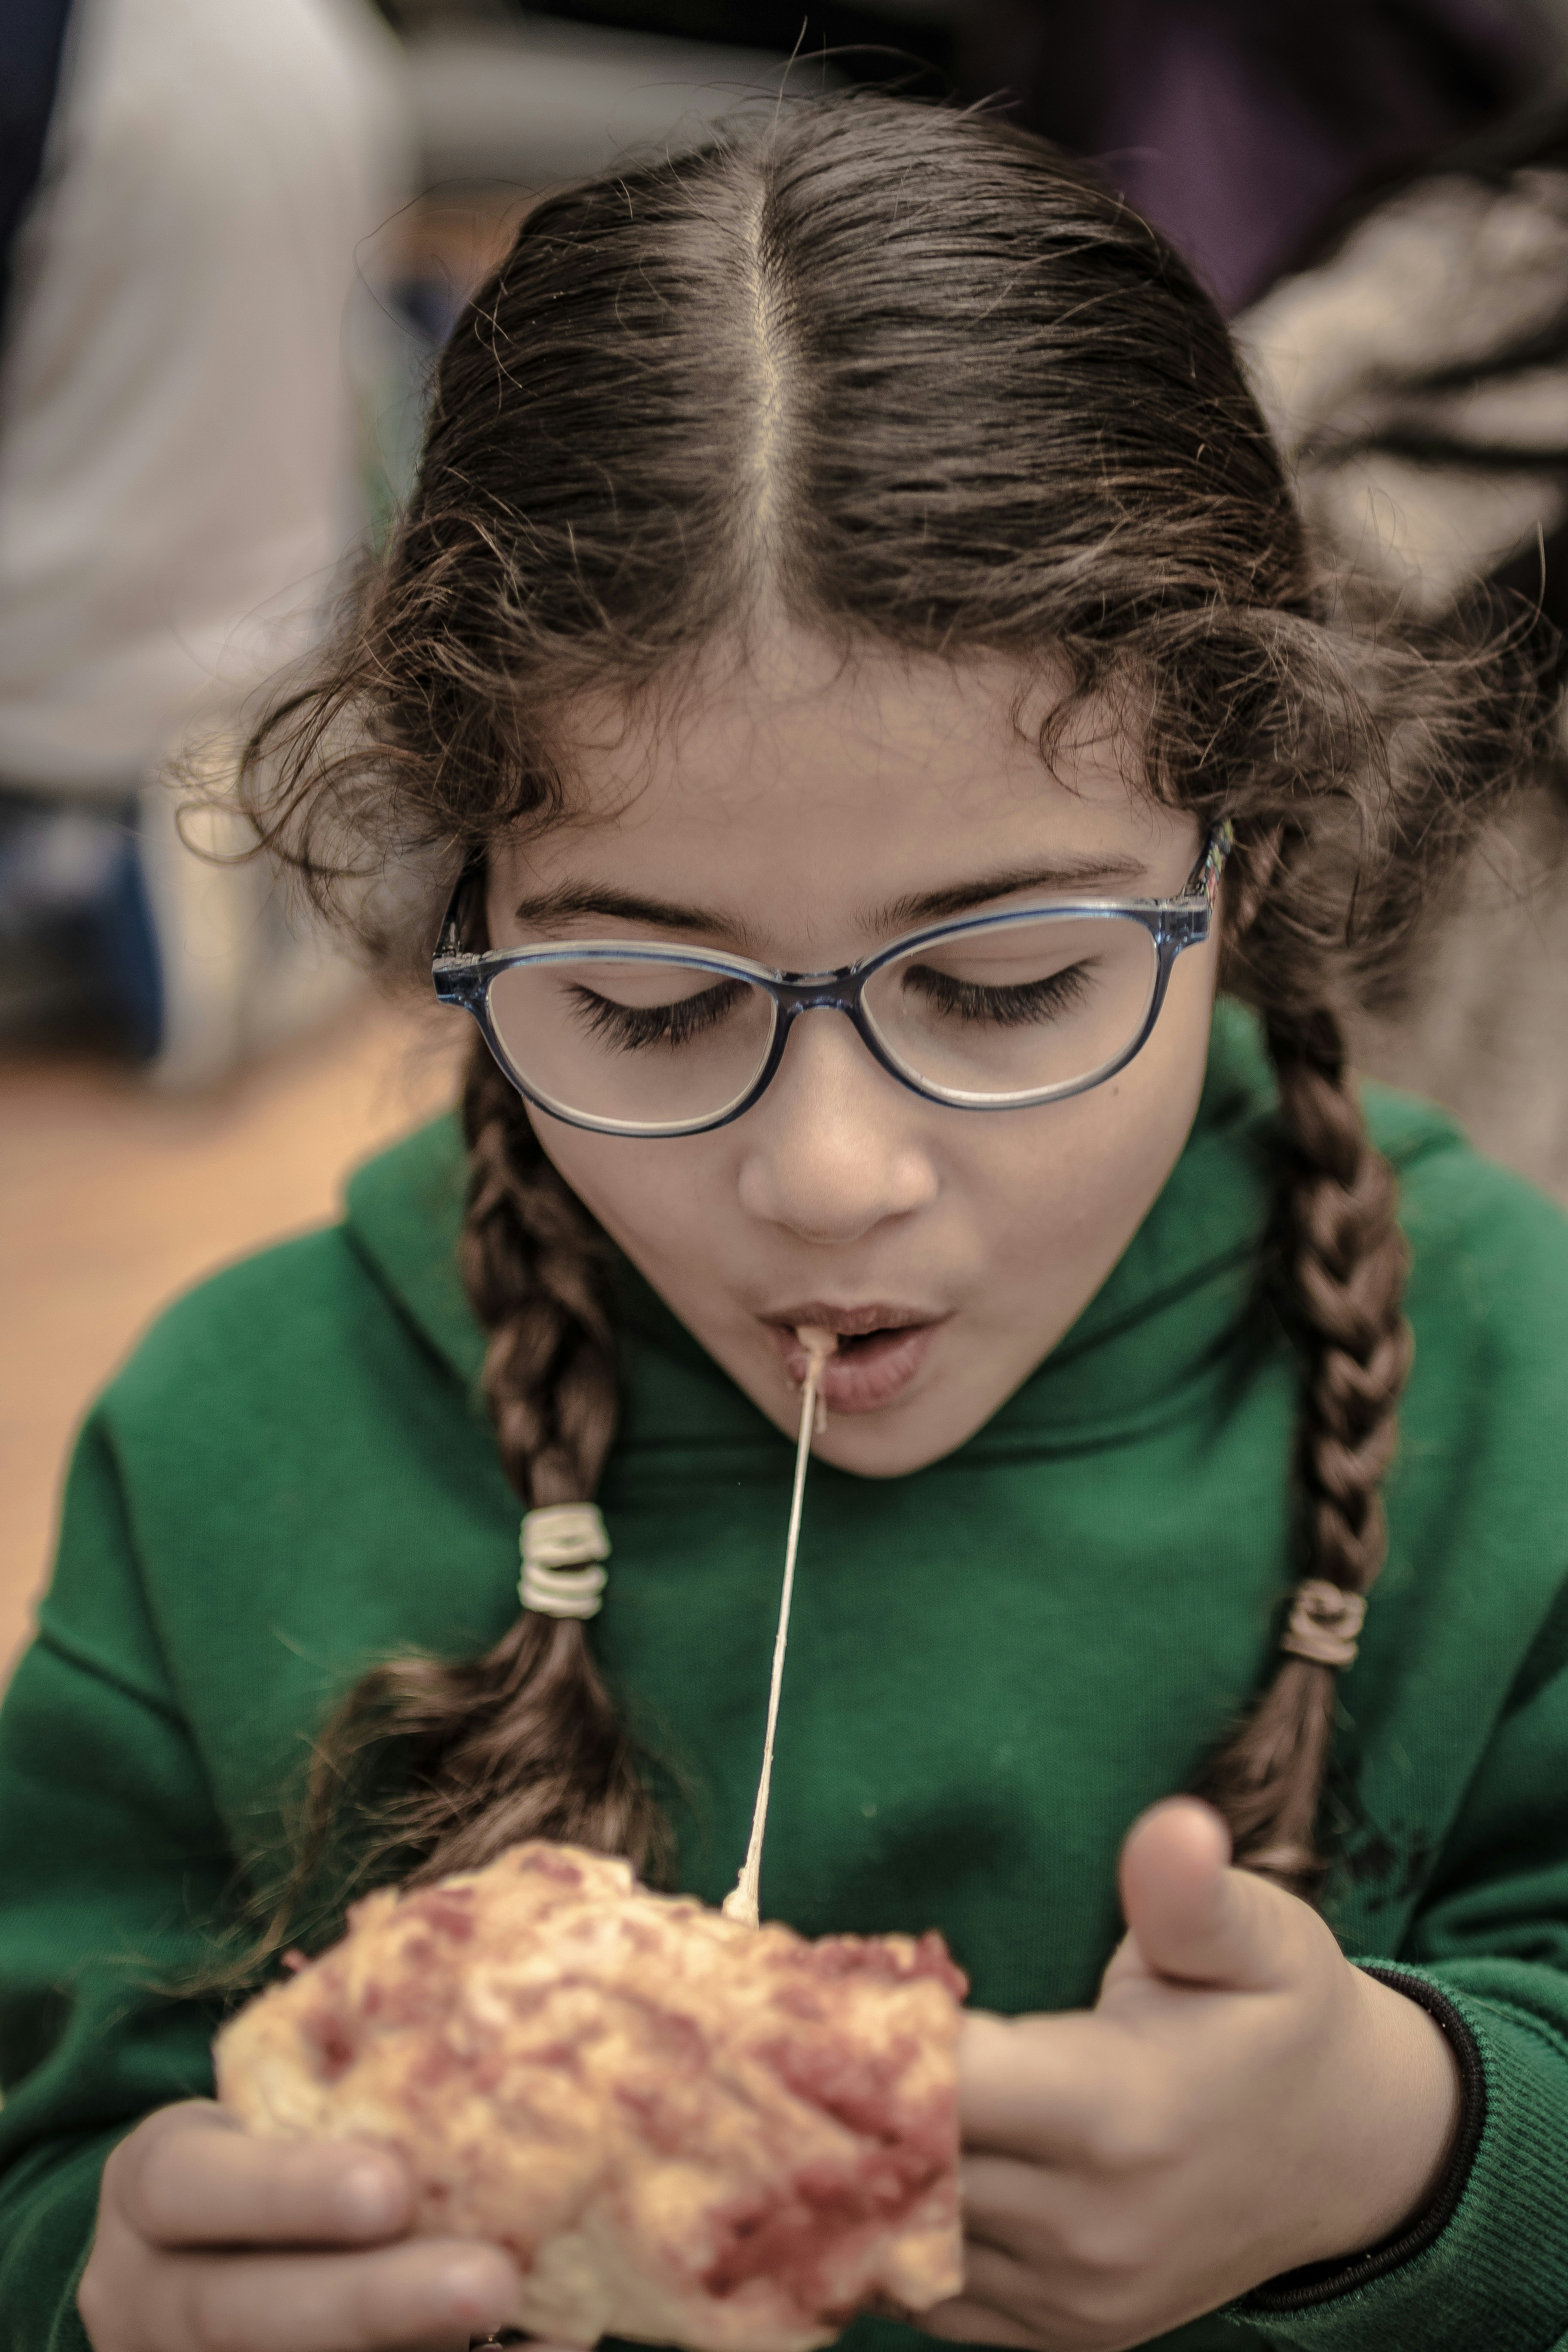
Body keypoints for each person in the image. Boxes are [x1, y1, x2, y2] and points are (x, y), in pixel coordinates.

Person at [1, 92, 1566, 2352]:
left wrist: (1413, 2146)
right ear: (463, 913)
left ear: (1239, 869)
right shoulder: (236, 1445)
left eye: (1008, 983)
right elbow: (47, 2148)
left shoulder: (1512, 1396)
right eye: (639, 1004)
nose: (829, 1174)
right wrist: (118, 2291)